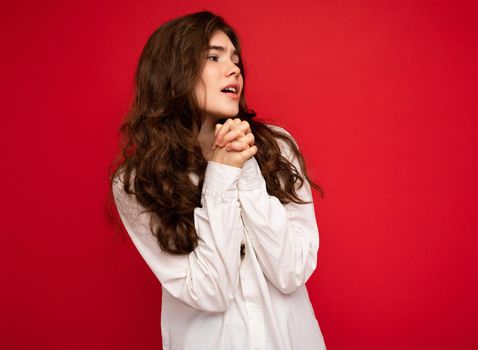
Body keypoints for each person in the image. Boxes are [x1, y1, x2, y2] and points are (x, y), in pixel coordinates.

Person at [109, 10, 326, 350]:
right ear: (173, 72)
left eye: (236, 60)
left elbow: (291, 271)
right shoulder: (137, 181)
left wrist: (246, 168)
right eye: (213, 57)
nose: (234, 69)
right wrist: (222, 175)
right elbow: (210, 291)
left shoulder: (278, 149)